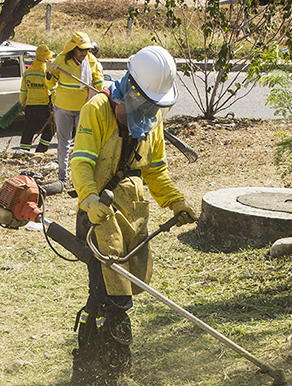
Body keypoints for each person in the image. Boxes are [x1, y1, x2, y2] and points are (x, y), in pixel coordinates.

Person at [69, 45, 198, 385]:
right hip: (97, 213)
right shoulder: (98, 109)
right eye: (146, 102)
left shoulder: (151, 121)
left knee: (112, 290)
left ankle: (85, 368)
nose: (151, 110)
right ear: (131, 87)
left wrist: (175, 202)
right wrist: (89, 198)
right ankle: (109, 373)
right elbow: (80, 162)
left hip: (130, 212)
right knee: (115, 298)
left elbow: (155, 171)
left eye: (157, 105)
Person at [46, 31, 106, 188]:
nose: (84, 53)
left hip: (83, 109)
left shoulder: (91, 61)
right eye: (81, 50)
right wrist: (49, 73)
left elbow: (99, 81)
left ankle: (80, 179)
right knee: (63, 144)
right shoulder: (60, 60)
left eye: (87, 50)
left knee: (81, 145)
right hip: (63, 108)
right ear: (73, 49)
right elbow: (50, 84)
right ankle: (62, 178)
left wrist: (104, 93)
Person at [18, 45, 56, 153]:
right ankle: (40, 151)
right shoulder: (46, 72)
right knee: (49, 129)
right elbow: (53, 90)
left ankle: (23, 152)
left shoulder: (28, 72)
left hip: (30, 106)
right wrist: (54, 104)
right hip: (44, 106)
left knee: (29, 130)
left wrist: (24, 103)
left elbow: (23, 92)